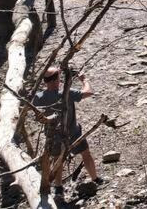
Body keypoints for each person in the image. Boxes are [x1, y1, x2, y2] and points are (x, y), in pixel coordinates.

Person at [32, 66, 104, 200]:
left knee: (58, 160)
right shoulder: (66, 93)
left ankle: (58, 188)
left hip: (52, 135)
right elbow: (88, 92)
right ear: (56, 80)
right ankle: (96, 179)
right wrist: (84, 79)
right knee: (86, 154)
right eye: (59, 78)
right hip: (72, 132)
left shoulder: (39, 97)